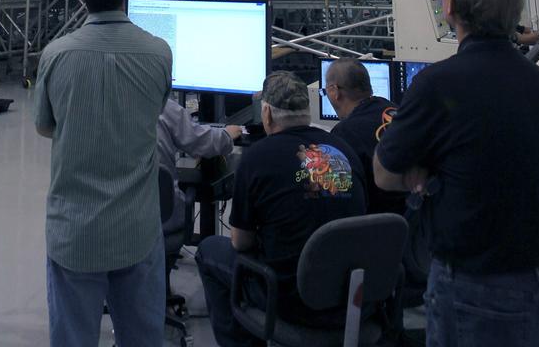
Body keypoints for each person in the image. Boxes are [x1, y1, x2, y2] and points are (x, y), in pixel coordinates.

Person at [374, 0, 539, 347]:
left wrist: (426, 174)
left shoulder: (439, 84)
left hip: (475, 288)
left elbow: (385, 172)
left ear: (449, 4)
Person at [34, 0, 172, 347]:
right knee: (143, 338)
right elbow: (155, 113)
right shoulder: (160, 53)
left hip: (74, 230)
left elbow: (45, 127)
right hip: (136, 229)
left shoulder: (56, 56)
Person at [196, 72, 365, 345]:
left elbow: (240, 242)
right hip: (349, 294)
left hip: (288, 297)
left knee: (209, 251)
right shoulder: (343, 148)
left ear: (267, 113)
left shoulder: (257, 158)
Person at [324, 59, 404, 214]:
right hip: (417, 217)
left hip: (378, 224)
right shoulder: (394, 109)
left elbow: (336, 196)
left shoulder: (343, 134)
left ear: (335, 91)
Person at [157, 97, 241, 234]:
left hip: (114, 222)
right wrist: (226, 135)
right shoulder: (161, 106)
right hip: (162, 221)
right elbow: (200, 141)